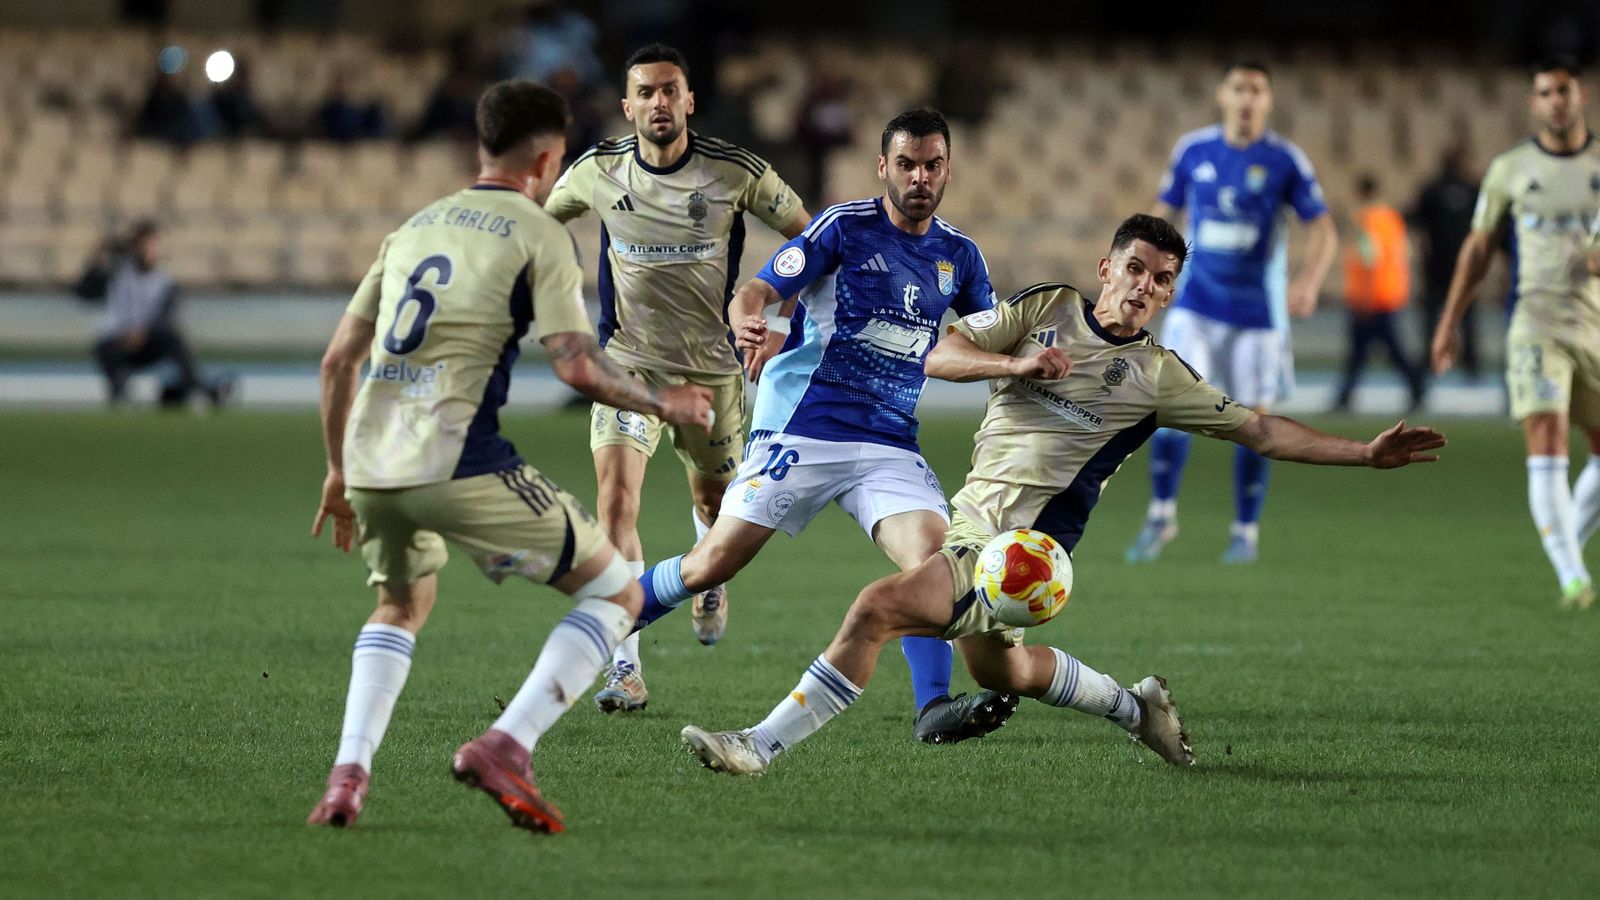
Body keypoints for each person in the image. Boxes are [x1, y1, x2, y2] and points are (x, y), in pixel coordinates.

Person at [678, 214, 1447, 776]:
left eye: (1162, 280)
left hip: (1018, 551)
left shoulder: (1157, 376)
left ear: (1171, 295)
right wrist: (1014, 368)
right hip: (975, 526)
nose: (1145, 288)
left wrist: (1365, 455)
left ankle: (758, 746)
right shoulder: (1045, 310)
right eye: (1136, 269)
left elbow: (1263, 432)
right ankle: (1135, 706)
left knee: (877, 607)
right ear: (1107, 268)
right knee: (1002, 674)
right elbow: (941, 353)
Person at [305, 80, 714, 834]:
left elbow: (338, 362)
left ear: (480, 146)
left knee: (402, 602)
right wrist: (665, 404)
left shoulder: (414, 227)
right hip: (456, 458)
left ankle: (347, 779)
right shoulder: (535, 230)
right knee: (619, 597)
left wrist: (336, 473)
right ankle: (506, 745)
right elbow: (574, 364)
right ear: (549, 158)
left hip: (369, 464)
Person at [629, 107, 1023, 744]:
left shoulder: (960, 256)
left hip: (889, 438)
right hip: (805, 427)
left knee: (933, 564)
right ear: (882, 167)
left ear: (948, 168)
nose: (919, 177)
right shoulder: (844, 227)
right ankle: (607, 620)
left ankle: (932, 707)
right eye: (906, 165)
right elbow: (757, 290)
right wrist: (747, 318)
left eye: (932, 165)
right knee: (711, 566)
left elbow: (993, 334)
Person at [543, 44, 811, 712]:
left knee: (716, 511)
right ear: (627, 105)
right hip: (628, 367)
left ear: (688, 101)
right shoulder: (598, 170)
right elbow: (538, 228)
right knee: (614, 504)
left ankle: (708, 576)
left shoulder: (734, 171)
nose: (658, 103)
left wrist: (784, 324)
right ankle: (624, 670)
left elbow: (810, 238)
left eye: (670, 91)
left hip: (713, 373)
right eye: (646, 92)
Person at [1126, 60, 1339, 564]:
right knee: (1169, 407)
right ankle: (1161, 516)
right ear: (1223, 95)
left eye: (1257, 90)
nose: (1246, 98)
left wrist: (1308, 281)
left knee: (1253, 423)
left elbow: (1323, 227)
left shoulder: (1285, 160)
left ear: (1268, 101)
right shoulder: (1193, 150)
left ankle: (1245, 530)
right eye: (1239, 88)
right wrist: (1145, 279)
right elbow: (1162, 219)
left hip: (1256, 315)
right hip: (1196, 306)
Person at [1432, 57, 1600, 611]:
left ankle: (1565, 553)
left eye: (1565, 91)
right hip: (1536, 324)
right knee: (1548, 441)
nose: (1557, 100)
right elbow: (1478, 248)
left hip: (1596, 324)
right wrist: (1450, 319)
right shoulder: (1510, 169)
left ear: (1580, 97)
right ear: (1534, 102)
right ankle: (1573, 577)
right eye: (1546, 91)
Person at [84, 220, 233, 409]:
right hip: (118, 342)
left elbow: (167, 317)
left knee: (174, 337)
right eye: (144, 245)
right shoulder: (115, 274)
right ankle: (119, 393)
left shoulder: (165, 282)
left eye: (152, 245)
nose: (148, 251)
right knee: (102, 346)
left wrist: (142, 332)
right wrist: (98, 259)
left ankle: (194, 388)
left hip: (149, 342)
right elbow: (84, 292)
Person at [1333, 173, 1425, 412]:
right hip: (1390, 293)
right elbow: (1405, 255)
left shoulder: (1366, 221)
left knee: (1375, 350)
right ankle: (1345, 395)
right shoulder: (1393, 219)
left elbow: (1370, 260)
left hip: (1371, 298)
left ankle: (1416, 386)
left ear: (1361, 193)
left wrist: (1365, 298)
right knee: (1371, 350)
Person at [1410, 141, 1481, 379]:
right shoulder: (1473, 190)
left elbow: (1414, 219)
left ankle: (1431, 364)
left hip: (1437, 268)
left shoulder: (1433, 189)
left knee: (1434, 321)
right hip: (1463, 269)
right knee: (1466, 320)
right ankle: (1470, 366)